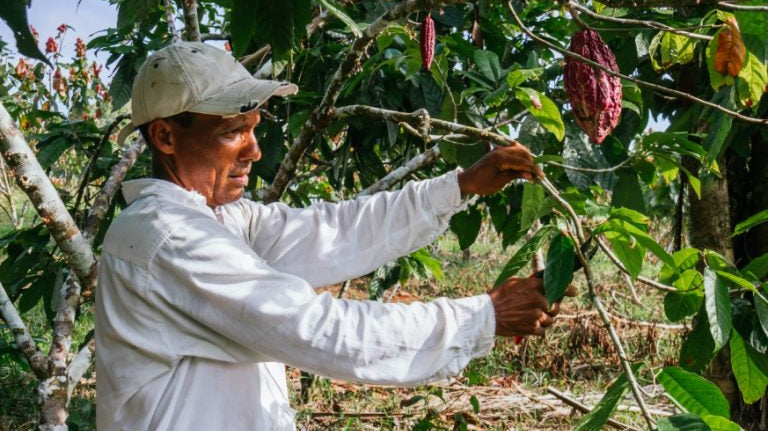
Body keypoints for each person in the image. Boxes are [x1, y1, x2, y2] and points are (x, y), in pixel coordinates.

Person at [95, 41, 569, 431]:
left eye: (254, 128)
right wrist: (483, 316)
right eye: (233, 131)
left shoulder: (220, 220)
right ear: (165, 137)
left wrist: (458, 186)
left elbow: (335, 231)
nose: (254, 150)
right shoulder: (167, 238)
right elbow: (321, 331)